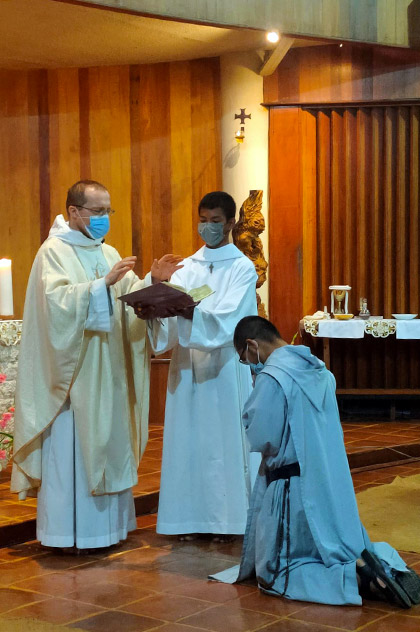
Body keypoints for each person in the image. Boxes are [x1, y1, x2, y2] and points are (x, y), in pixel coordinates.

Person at [11, 179, 181, 552]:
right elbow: (55, 306)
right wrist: (100, 285)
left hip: (110, 372)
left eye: (108, 211)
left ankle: (107, 531)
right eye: (97, 211)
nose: (105, 218)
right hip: (76, 378)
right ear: (74, 211)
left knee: (110, 444)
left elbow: (129, 301)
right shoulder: (53, 252)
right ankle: (68, 534)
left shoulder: (107, 251)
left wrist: (153, 282)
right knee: (74, 448)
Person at [211, 315, 420, 608]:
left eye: (245, 359)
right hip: (327, 482)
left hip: (291, 491)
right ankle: (386, 567)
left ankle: (353, 578)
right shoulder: (319, 369)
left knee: (276, 572)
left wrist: (254, 398)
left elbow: (263, 438)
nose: (250, 366)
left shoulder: (273, 377)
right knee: (332, 546)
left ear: (252, 345)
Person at [143, 191, 259, 540]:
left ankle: (229, 522)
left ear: (230, 223)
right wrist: (156, 290)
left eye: (215, 221)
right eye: (203, 220)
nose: (207, 227)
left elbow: (232, 319)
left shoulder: (241, 267)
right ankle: (187, 520)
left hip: (225, 368)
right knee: (188, 441)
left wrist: (189, 311)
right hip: (187, 367)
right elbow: (167, 326)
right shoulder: (188, 267)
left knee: (224, 442)